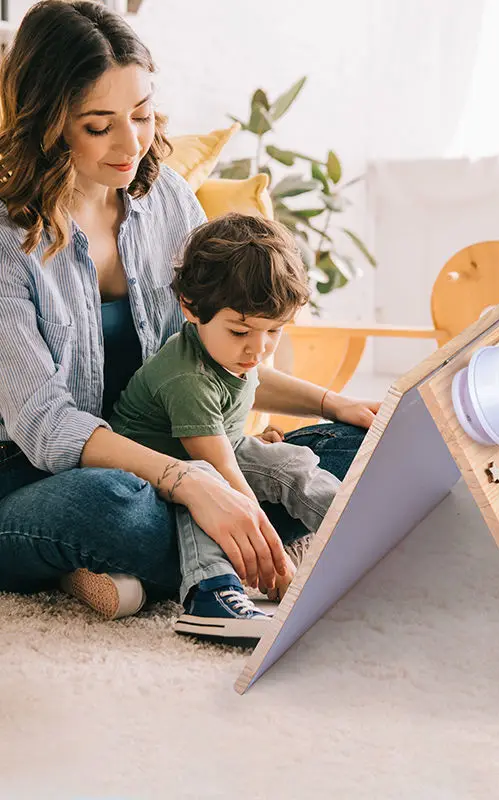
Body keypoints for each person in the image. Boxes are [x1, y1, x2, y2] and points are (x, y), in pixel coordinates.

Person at [0, 0, 378, 633]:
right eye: (99, 126)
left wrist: (331, 406)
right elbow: (46, 426)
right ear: (49, 123)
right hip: (36, 475)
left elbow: (215, 354)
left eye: (143, 115)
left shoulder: (166, 196)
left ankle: (127, 565)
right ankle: (156, 544)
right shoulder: (10, 244)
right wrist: (189, 481)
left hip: (173, 439)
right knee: (118, 508)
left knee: (354, 448)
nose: (131, 144)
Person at [109, 212, 342, 640]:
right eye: (241, 331)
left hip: (223, 451)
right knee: (211, 499)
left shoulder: (234, 350)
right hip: (156, 473)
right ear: (191, 309)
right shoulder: (187, 378)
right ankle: (210, 590)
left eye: (275, 330)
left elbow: (250, 399)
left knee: (291, 462)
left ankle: (352, 527)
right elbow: (226, 481)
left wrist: (335, 406)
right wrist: (279, 564)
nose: (259, 348)